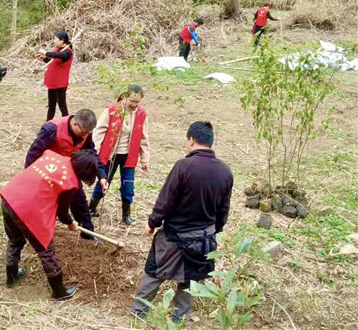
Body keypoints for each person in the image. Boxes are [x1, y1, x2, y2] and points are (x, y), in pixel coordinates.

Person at [131, 121, 233, 323]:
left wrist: (152, 222)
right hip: (204, 239)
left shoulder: (183, 166)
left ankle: (139, 314)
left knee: (154, 273)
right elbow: (223, 210)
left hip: (173, 237)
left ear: (192, 140)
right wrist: (215, 233)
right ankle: (179, 320)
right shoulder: (225, 172)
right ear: (210, 143)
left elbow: (165, 200)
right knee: (191, 280)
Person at [0, 149, 98, 300]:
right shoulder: (69, 181)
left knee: (15, 240)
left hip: (9, 197)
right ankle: (59, 292)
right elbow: (62, 211)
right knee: (46, 249)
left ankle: (11, 277)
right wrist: (71, 223)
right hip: (26, 208)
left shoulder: (52, 155)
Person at [25, 108, 108, 240]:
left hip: (69, 173)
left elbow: (91, 154)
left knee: (79, 201)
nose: (84, 136)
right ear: (75, 124)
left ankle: (88, 234)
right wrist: (31, 179)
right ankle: (38, 234)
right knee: (46, 205)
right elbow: (33, 155)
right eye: (83, 132)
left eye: (87, 133)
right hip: (48, 173)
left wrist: (102, 176)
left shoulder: (85, 133)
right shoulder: (52, 129)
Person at [88, 85, 150, 225]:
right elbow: (99, 133)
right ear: (125, 96)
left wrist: (145, 159)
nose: (134, 105)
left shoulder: (141, 115)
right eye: (131, 101)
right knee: (103, 182)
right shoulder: (111, 111)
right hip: (110, 155)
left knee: (128, 185)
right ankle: (91, 208)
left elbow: (144, 139)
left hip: (129, 156)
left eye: (137, 102)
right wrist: (94, 153)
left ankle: (126, 214)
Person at [36, 31, 73, 121]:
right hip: (53, 82)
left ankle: (66, 125)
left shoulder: (67, 52)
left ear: (62, 40)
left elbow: (59, 56)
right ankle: (47, 125)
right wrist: (45, 58)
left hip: (60, 84)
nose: (54, 41)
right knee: (51, 105)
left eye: (56, 39)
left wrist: (45, 52)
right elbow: (53, 61)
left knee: (62, 106)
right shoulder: (58, 49)